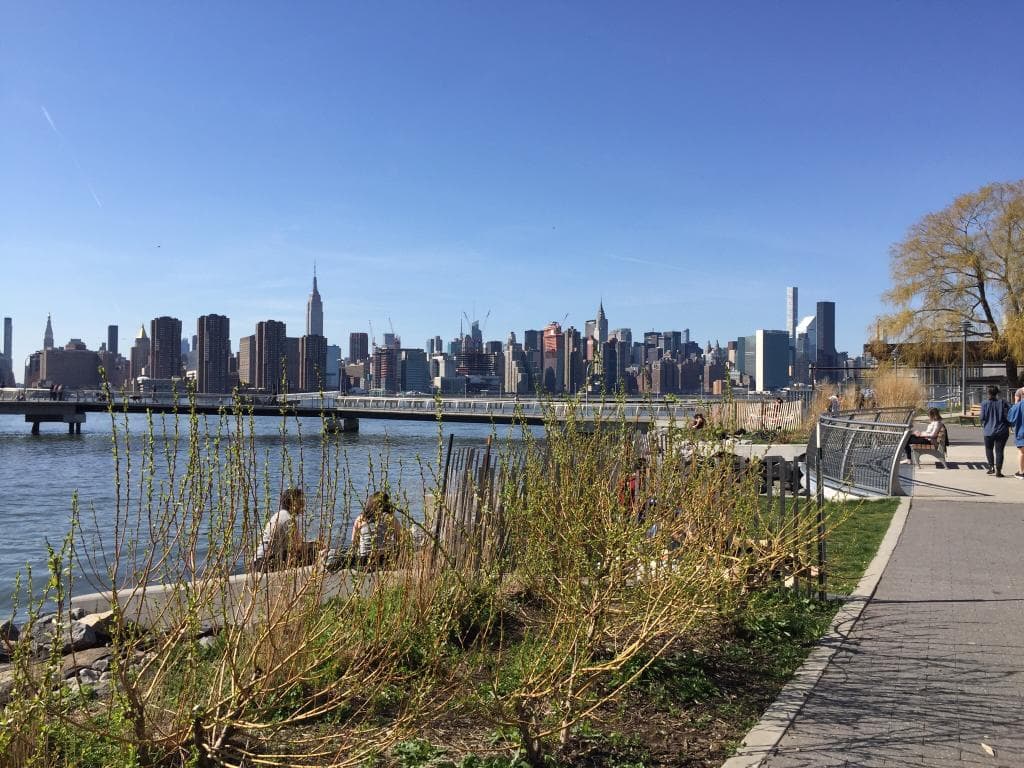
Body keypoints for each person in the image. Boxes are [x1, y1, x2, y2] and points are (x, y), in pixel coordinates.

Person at [252, 487, 320, 572]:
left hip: (259, 561)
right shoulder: (288, 519)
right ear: (291, 503)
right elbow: (298, 546)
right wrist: (316, 545)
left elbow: (294, 544)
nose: (303, 504)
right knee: (313, 552)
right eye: (300, 501)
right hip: (265, 563)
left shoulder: (280, 515)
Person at [350, 490, 400, 568]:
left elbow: (354, 542)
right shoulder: (389, 518)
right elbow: (400, 538)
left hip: (363, 559)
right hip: (383, 559)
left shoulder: (360, 518)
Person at [982, 385, 1011, 477]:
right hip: (1002, 430)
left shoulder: (984, 403)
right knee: (999, 451)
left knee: (989, 449)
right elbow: (1010, 411)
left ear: (988, 393)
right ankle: (998, 471)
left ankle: (991, 467)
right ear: (997, 393)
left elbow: (982, 417)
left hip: (988, 430)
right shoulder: (1003, 402)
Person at [1006, 387, 1024, 479]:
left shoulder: (1019, 405)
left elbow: (1011, 418)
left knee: (1021, 452)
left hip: (1022, 431)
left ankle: (1021, 472)